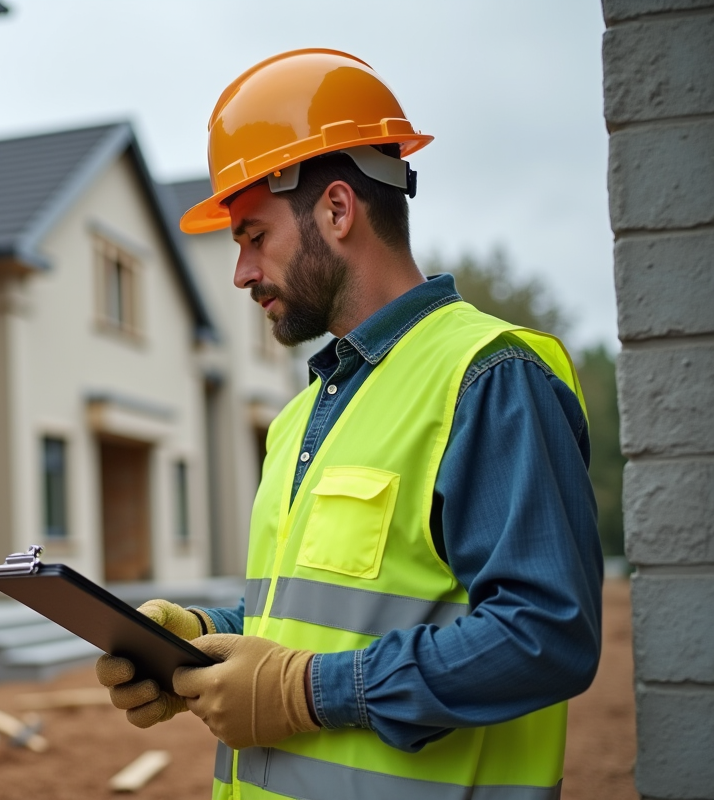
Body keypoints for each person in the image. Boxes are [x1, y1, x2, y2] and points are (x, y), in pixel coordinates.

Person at [96, 49, 602, 800]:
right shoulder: (299, 416)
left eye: (251, 236)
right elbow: (311, 620)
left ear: (336, 210)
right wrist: (200, 636)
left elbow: (545, 634)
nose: (240, 275)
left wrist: (306, 692)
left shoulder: (488, 378)